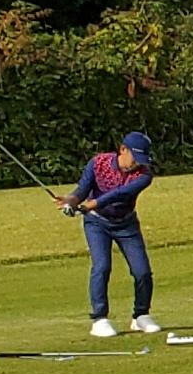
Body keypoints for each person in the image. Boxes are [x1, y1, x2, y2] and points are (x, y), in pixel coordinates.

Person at [66, 131, 160, 338]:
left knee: (142, 271)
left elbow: (121, 194)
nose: (137, 164)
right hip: (97, 224)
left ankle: (141, 316)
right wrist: (71, 202)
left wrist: (92, 203)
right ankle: (99, 319)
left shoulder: (144, 175)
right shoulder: (98, 163)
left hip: (126, 224)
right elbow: (82, 189)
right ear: (123, 150)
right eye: (135, 158)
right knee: (102, 266)